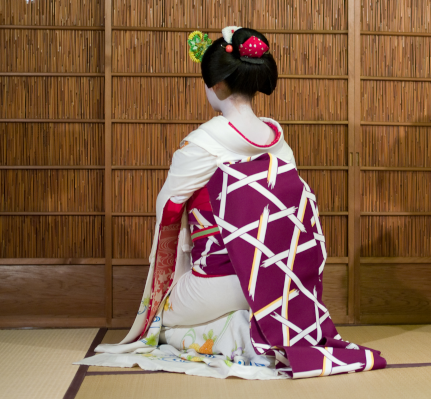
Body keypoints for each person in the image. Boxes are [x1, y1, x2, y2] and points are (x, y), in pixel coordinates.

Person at [79, 27, 385, 379]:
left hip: (220, 276)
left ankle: (242, 337)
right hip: (274, 282)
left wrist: (166, 278)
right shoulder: (279, 144)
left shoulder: (202, 144)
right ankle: (261, 327)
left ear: (217, 86)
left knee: (160, 325)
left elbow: (168, 213)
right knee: (215, 306)